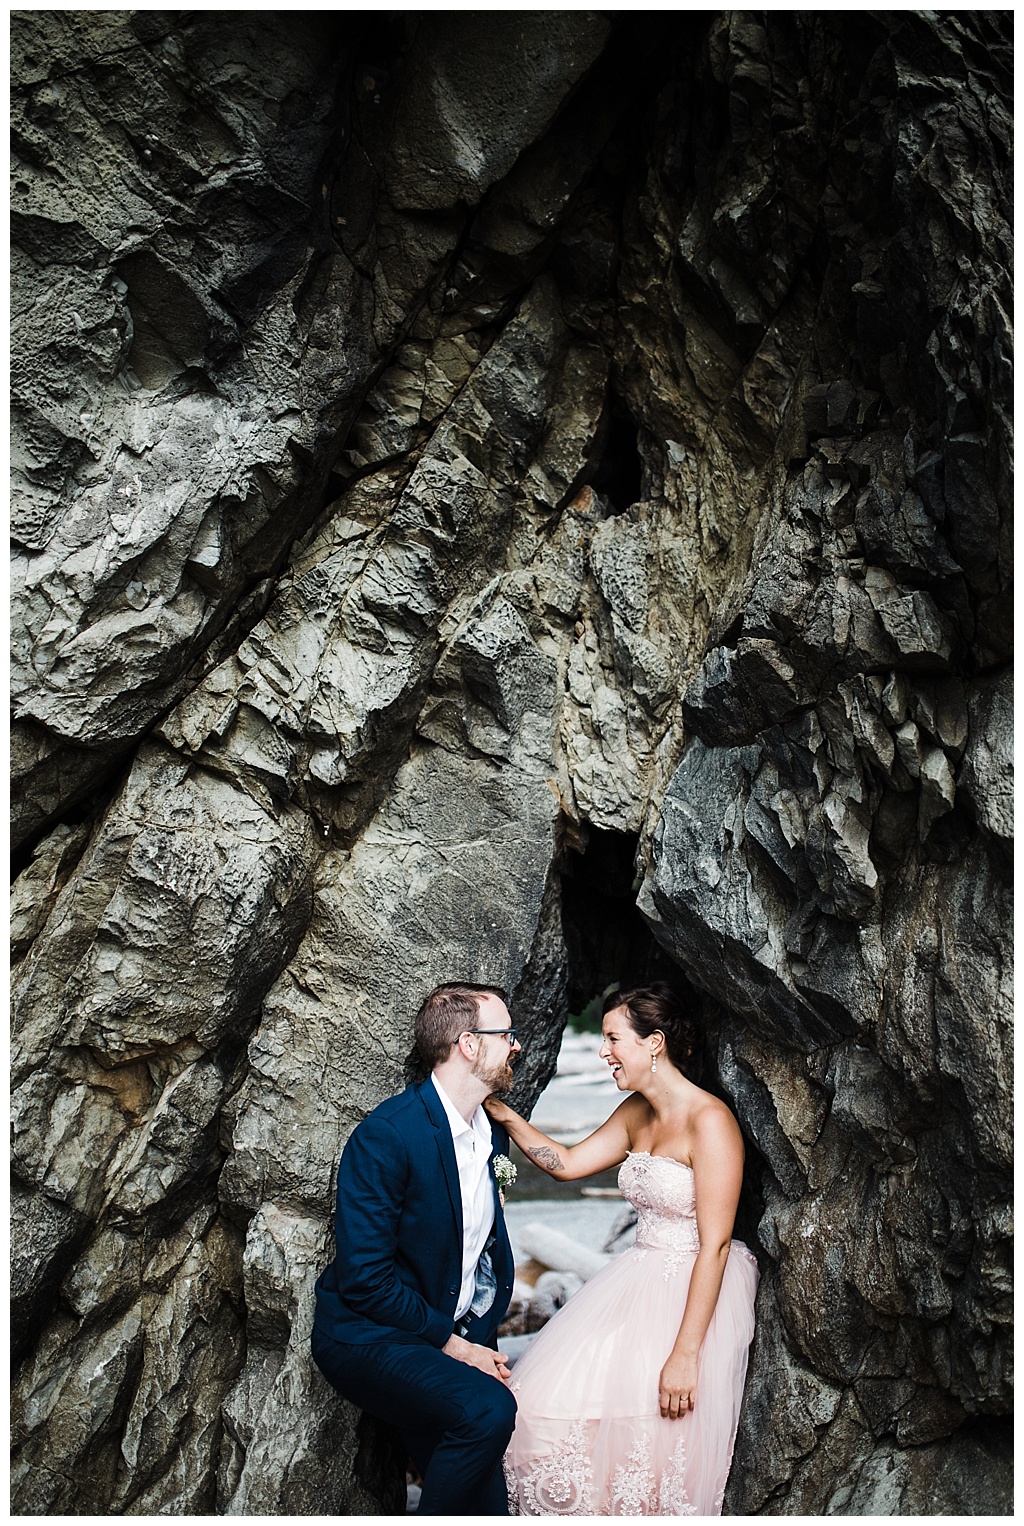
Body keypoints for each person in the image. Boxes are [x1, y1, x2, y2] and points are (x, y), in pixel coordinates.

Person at [486, 983, 758, 1516]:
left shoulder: (711, 1121)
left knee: (650, 1437)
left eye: (613, 1038)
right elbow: (565, 1164)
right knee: (539, 1407)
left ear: (653, 1042)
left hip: (693, 1291)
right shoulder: (637, 1111)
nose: (604, 1051)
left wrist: (685, 1356)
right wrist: (501, 1112)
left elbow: (717, 1245)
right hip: (634, 1279)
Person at [312, 982, 523, 1515]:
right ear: (469, 1044)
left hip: (445, 1333)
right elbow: (365, 1279)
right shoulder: (388, 1135)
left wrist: (479, 1330)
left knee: (489, 1507)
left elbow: (475, 1249)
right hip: (370, 1336)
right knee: (489, 1410)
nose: (516, 1045)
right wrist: (457, 1348)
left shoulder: (489, 1133)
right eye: (507, 1035)